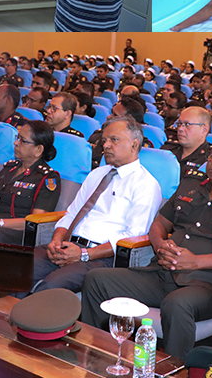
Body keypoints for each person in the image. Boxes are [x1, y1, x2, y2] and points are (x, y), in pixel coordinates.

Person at [80, 133, 212, 359]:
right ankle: (97, 356)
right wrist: (160, 245)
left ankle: (173, 371)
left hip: (207, 284)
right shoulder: (191, 184)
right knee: (96, 280)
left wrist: (196, 262)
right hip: (161, 273)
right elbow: (159, 223)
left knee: (176, 304)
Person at [29, 117, 162, 294]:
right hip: (69, 245)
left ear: (134, 144)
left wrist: (84, 254)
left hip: (101, 257)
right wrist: (57, 240)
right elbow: (72, 213)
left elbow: (133, 236)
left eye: (114, 140)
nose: (106, 145)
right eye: (104, 140)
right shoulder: (97, 174)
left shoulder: (145, 184)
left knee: (50, 287)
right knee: (20, 268)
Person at [160, 107, 212, 180]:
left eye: (187, 124)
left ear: (204, 130)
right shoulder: (167, 150)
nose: (180, 129)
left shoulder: (210, 160)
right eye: (179, 124)